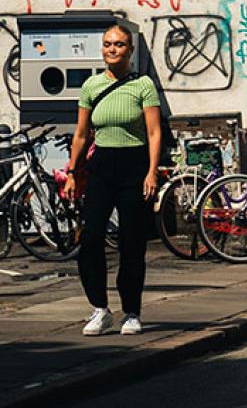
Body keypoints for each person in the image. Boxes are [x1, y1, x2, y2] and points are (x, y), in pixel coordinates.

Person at [62, 25, 163, 337]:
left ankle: (131, 311)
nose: (112, 49)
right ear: (102, 49)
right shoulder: (91, 86)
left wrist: (151, 171)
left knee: (131, 243)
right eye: (108, 44)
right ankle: (100, 309)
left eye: (119, 44)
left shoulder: (143, 85)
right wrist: (71, 173)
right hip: (102, 167)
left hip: (134, 166)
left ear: (129, 50)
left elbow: (154, 132)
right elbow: (81, 135)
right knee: (90, 239)